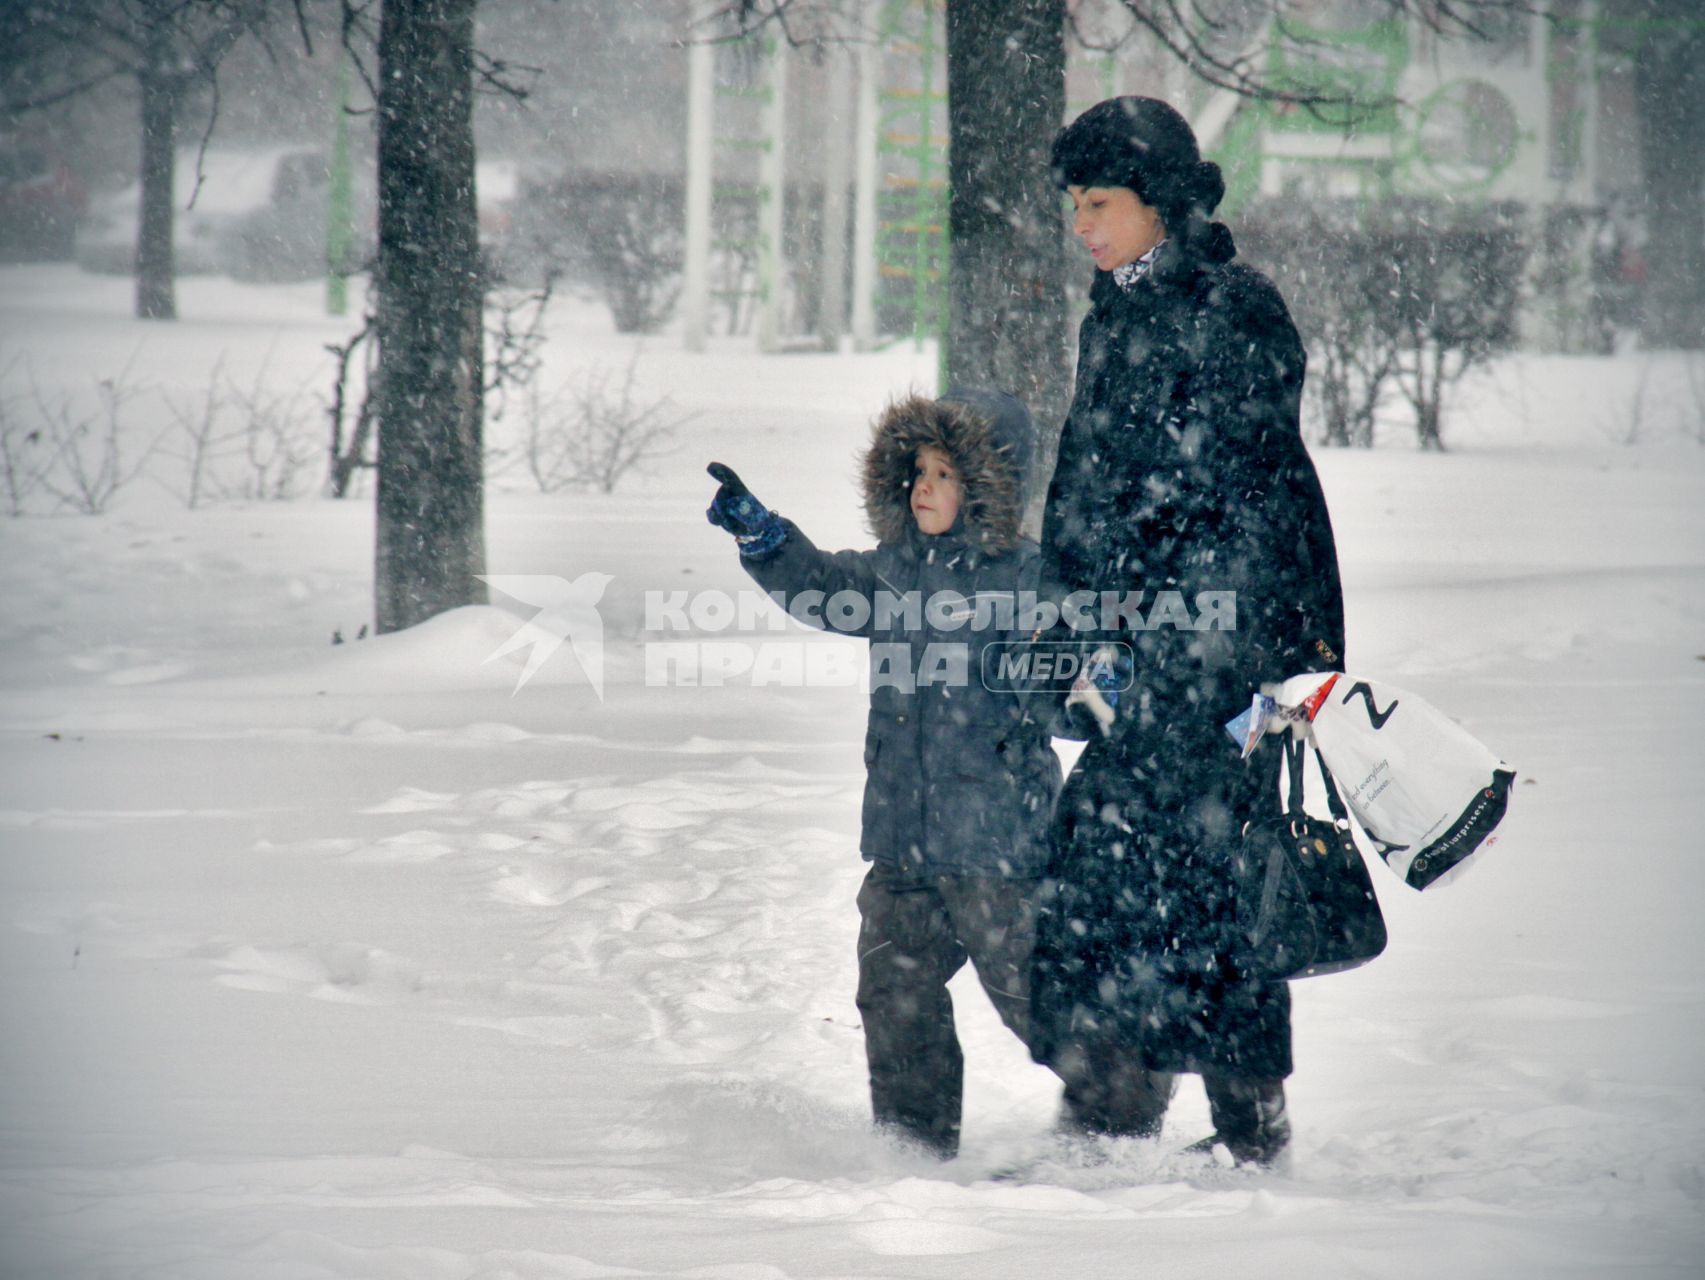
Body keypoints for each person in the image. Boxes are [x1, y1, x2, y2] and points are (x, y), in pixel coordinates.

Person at [1027, 97, 1347, 1167]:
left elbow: (1251, 495)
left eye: (1099, 202)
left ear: (1159, 203)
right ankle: (1110, 1109)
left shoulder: (1233, 307)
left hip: (1223, 661)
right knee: (1103, 878)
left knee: (1217, 889)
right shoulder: (1109, 313)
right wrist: (1067, 625)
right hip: (1130, 659)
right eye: (1072, 203)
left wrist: (1210, 650)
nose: (1080, 221)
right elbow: (1082, 482)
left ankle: (1249, 1125)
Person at [705, 389, 1063, 1159]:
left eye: (942, 472)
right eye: (915, 472)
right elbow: (825, 589)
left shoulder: (1030, 580)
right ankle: (911, 1147)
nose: (921, 487)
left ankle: (1120, 1108)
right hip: (903, 841)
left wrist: (1044, 672)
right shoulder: (893, 576)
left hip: (998, 848)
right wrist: (766, 541)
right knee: (893, 991)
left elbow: (1077, 696)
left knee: (1038, 996)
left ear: (987, 488)